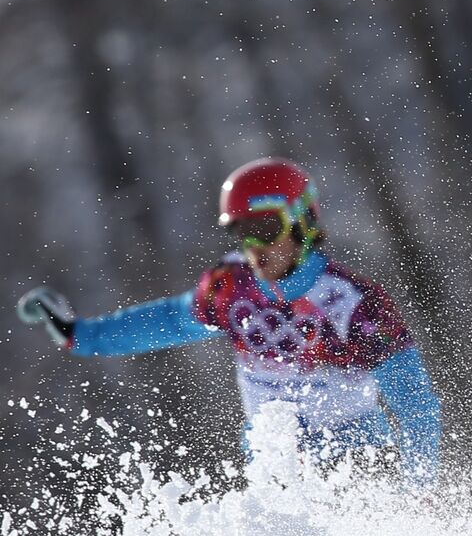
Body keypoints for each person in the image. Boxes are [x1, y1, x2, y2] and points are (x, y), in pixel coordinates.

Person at [17, 158, 442, 487]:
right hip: (275, 469)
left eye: (266, 227)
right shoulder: (232, 286)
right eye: (242, 232)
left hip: (356, 461)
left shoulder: (349, 301)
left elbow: (413, 398)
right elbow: (169, 321)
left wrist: (417, 485)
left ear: (302, 221)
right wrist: (81, 335)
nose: (254, 246)